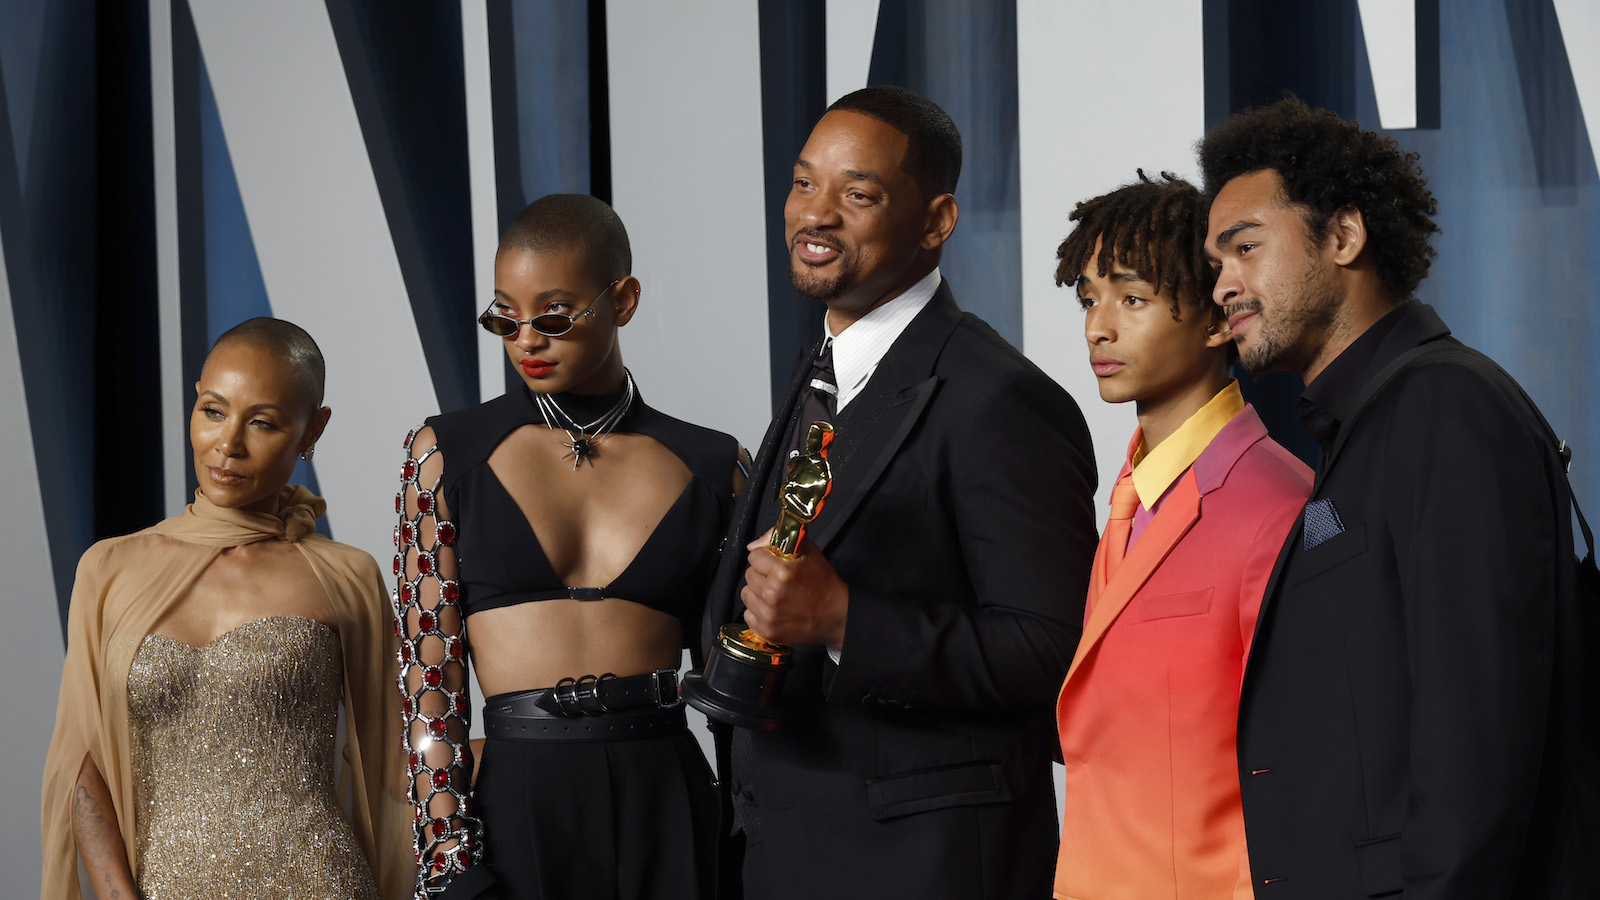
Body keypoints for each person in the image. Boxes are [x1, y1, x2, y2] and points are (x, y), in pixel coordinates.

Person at [701, 85, 1098, 900]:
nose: (815, 214)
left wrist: (846, 619)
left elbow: (1055, 653)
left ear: (937, 221)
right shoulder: (825, 370)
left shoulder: (999, 399)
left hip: (925, 866)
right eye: (804, 183)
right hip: (784, 853)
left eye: (859, 194)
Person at [1203, 97, 1600, 898]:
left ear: (1344, 236)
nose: (1223, 286)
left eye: (1245, 248)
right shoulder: (1368, 425)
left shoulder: (1444, 407)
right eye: (1214, 264)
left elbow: (1476, 740)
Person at [396, 194, 742, 899]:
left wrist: (750, 830)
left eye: (553, 316)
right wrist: (447, 855)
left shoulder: (716, 467)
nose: (527, 340)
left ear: (624, 299)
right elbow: (430, 675)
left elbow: (743, 678)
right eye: (505, 316)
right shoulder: (444, 456)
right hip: (517, 803)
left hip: (668, 797)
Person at [40, 318, 409, 900]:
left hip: (319, 882)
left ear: (313, 429)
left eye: (262, 423)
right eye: (214, 411)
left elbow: (397, 758)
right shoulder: (108, 569)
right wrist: (116, 893)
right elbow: (81, 764)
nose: (228, 444)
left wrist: (535, 752)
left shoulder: (345, 575)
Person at [1050, 171, 1311, 899]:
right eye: (1090, 299)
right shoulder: (1131, 496)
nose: (1098, 327)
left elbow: (1297, 764)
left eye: (1132, 299)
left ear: (1214, 319)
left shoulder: (1276, 505)